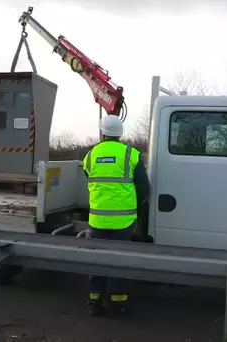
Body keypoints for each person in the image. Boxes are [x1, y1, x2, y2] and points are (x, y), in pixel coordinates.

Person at [82, 115, 150, 318]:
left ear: (102, 132)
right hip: (123, 221)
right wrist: (138, 209)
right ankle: (118, 303)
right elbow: (144, 189)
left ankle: (94, 302)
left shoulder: (91, 155)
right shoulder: (131, 154)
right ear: (120, 133)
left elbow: (88, 177)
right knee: (119, 261)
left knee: (97, 260)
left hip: (98, 220)